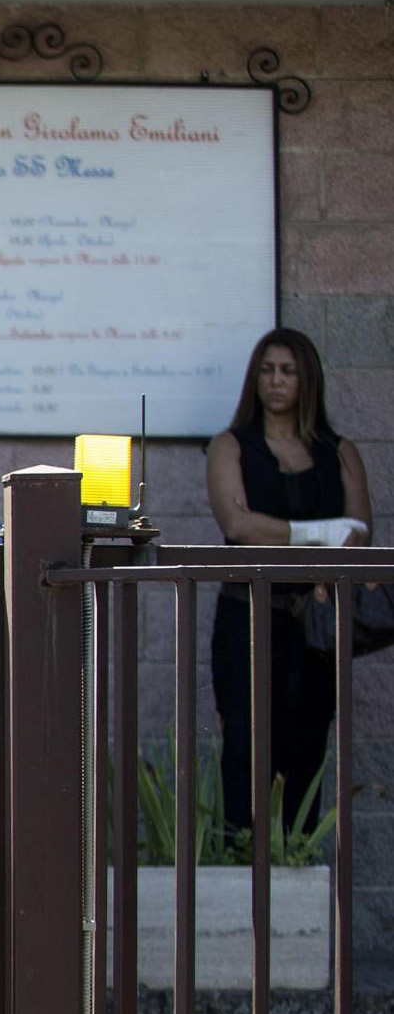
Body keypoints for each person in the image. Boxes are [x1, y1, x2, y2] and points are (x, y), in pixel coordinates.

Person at [204, 326, 372, 837]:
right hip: (247, 621)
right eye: (267, 369)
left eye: (289, 371)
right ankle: (241, 864)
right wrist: (318, 533)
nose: (276, 381)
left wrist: (284, 534)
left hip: (316, 626)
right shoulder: (231, 446)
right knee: (245, 745)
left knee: (307, 745)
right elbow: (237, 526)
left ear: (308, 380)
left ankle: (293, 860)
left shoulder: (338, 451)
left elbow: (360, 535)